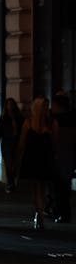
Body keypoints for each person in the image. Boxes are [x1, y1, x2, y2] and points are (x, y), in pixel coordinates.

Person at [16, 96, 57, 230]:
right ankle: (39, 214)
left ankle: (39, 213)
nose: (46, 108)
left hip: (35, 158)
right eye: (44, 106)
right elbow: (55, 143)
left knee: (38, 188)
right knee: (40, 187)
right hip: (42, 158)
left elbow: (22, 143)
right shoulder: (50, 123)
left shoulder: (30, 122)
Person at [50, 91, 76, 223]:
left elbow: (55, 139)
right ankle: (65, 213)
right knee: (65, 186)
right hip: (70, 156)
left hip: (60, 155)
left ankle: (61, 213)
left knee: (58, 187)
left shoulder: (57, 120)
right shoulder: (72, 118)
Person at [0, 97, 24, 193]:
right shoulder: (3, 118)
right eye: (8, 104)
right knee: (8, 164)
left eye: (11, 104)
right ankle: (10, 183)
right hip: (7, 143)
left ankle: (12, 181)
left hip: (17, 142)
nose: (10, 106)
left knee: (15, 163)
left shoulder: (19, 117)